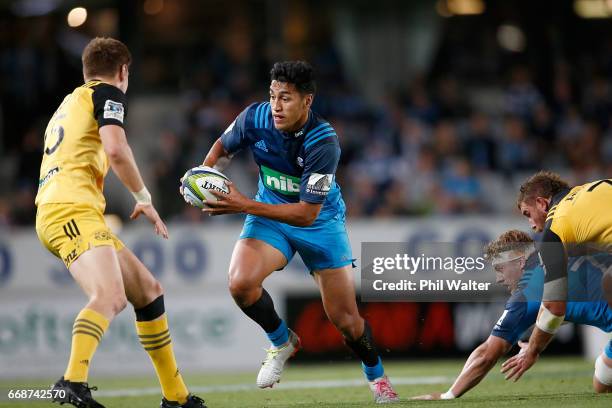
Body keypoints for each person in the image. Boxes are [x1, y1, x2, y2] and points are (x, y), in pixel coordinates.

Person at [193, 61, 399, 403]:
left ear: (307, 101)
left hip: (320, 224)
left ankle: (377, 377)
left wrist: (242, 204)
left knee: (346, 322)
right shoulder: (254, 118)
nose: (276, 106)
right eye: (273, 96)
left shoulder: (323, 142)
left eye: (286, 98)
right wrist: (203, 177)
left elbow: (306, 214)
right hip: (269, 214)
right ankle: (281, 341)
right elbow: (221, 148)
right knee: (240, 283)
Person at [35, 37, 205, 408]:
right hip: (70, 210)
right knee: (110, 297)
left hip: (66, 208)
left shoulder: (68, 102)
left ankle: (176, 398)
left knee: (148, 290)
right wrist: (144, 198)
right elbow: (115, 148)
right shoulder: (108, 93)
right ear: (123, 71)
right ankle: (72, 381)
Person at [412, 230, 612, 400]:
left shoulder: (525, 295)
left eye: (500, 269)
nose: (499, 279)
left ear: (520, 260)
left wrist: (448, 395)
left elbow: (486, 355)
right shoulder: (556, 246)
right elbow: (559, 310)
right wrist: (535, 343)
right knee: (602, 383)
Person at [502, 171, 612, 381]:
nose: (532, 225)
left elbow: (554, 307)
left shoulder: (554, 231)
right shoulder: (592, 190)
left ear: (542, 203)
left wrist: (532, 350)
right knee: (603, 381)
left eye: (528, 214)